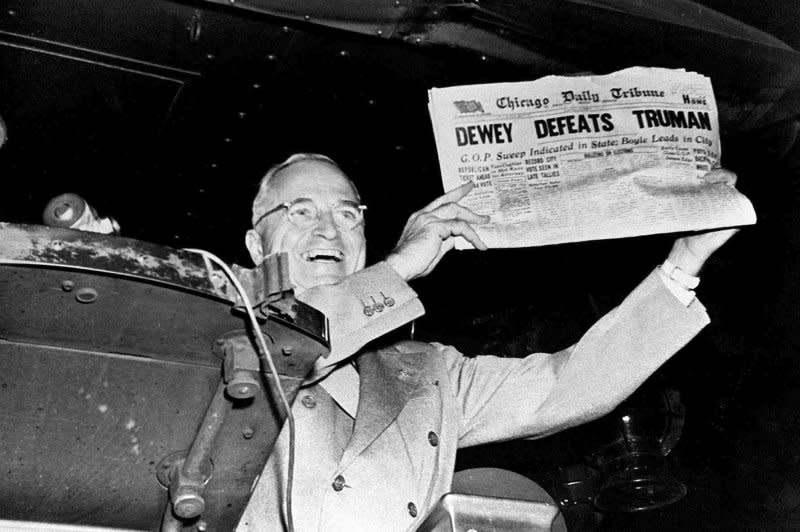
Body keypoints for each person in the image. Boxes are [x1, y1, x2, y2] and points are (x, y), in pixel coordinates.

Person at [236, 153, 739, 531]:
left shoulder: (424, 370)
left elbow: (563, 386)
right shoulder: (212, 326)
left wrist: (685, 261)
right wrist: (400, 270)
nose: (329, 228)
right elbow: (288, 348)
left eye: (348, 214)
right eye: (299, 212)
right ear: (257, 245)